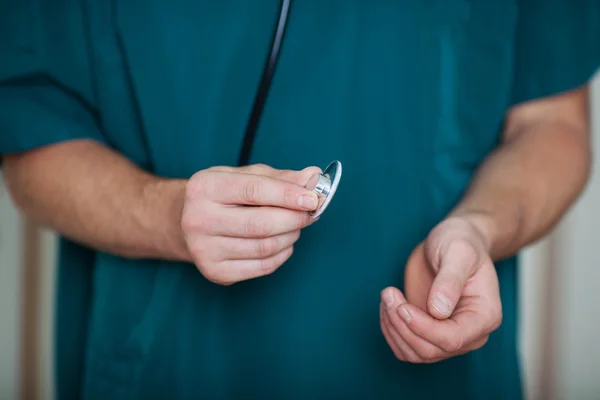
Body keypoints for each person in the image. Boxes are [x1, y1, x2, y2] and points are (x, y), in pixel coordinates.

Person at [1, 1, 598, 398]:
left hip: (435, 359)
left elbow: (553, 123)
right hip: (171, 363)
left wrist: (480, 227)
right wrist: (163, 215)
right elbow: (33, 138)